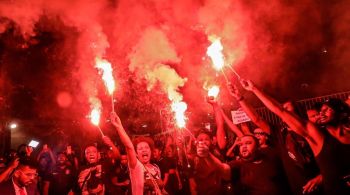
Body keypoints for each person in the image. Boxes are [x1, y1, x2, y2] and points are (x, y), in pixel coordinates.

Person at [239, 79, 350, 194]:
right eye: (321, 110)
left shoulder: (321, 134)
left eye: (327, 109)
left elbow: (336, 163)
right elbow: (262, 117)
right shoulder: (283, 134)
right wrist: (245, 95)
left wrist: (322, 177)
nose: (321, 113)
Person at [198, 134, 290, 195]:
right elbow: (223, 168)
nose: (244, 146)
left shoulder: (270, 157)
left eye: (248, 143)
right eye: (241, 144)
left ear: (258, 147)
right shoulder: (238, 164)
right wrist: (207, 155)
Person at [110, 112, 164, 195]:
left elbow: (161, 189)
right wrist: (119, 127)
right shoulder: (136, 166)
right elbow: (129, 147)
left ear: (150, 151)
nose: (144, 150)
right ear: (136, 154)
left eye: (146, 148)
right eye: (140, 149)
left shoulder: (156, 167)